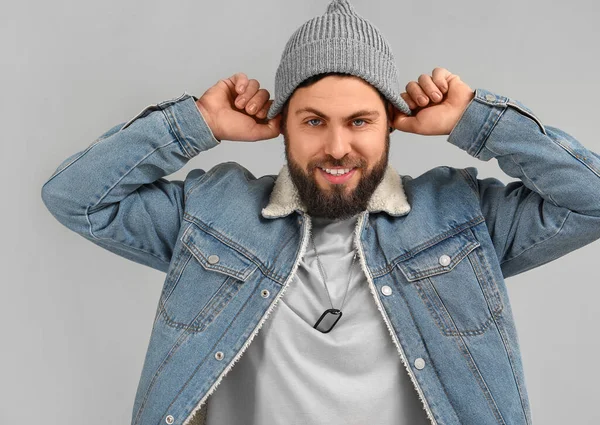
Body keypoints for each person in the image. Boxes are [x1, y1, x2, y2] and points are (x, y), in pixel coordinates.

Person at [40, 0, 600, 424]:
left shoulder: (462, 216)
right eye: (312, 121)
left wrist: (476, 121)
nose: (337, 146)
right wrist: (197, 123)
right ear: (281, 125)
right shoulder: (212, 212)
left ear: (392, 123)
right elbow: (76, 197)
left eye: (359, 120)